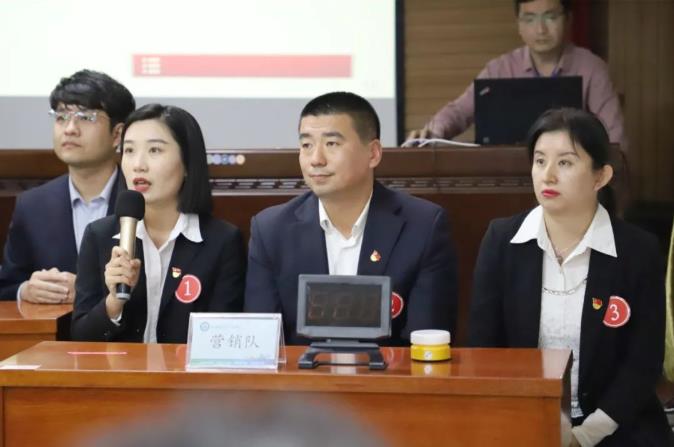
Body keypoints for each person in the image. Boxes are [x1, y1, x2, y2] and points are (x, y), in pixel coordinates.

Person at [468, 108, 672, 446]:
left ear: (600, 177)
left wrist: (585, 435)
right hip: (524, 420)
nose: (547, 176)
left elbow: (643, 362)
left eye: (565, 163)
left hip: (617, 427)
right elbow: (485, 350)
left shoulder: (638, 251)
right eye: (539, 161)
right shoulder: (502, 241)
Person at [244, 92, 458, 345]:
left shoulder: (423, 226)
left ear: (373, 153)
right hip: (301, 371)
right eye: (306, 145)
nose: (316, 159)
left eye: (332, 144)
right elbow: (261, 345)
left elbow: (427, 343)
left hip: (390, 371)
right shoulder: (271, 230)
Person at [71, 104, 245, 343]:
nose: (138, 164)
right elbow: (79, 338)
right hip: (119, 368)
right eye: (129, 150)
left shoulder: (222, 241)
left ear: (187, 163)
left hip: (185, 368)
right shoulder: (99, 235)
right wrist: (113, 302)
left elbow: (224, 339)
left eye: (154, 150)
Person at [408, 0, 626, 149]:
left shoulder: (592, 68)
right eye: (529, 19)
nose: (540, 29)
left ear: (568, 19)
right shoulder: (499, 69)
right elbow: (459, 111)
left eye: (550, 17)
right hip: (509, 176)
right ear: (519, 25)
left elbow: (616, 139)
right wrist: (432, 132)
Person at [0, 69, 134, 302]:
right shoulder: (32, 205)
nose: (70, 128)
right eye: (61, 116)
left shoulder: (140, 200)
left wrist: (88, 291)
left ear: (117, 134)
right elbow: (7, 285)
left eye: (86, 117)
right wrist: (25, 290)